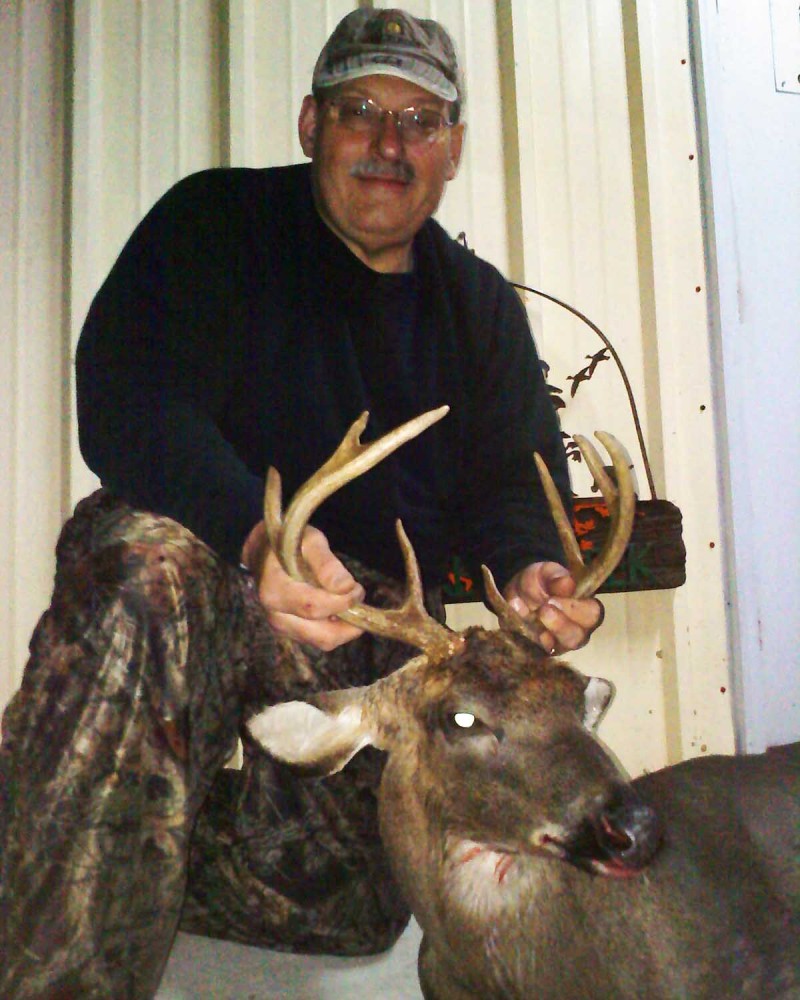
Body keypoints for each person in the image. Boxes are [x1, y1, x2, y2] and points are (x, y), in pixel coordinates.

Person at [0, 8, 604, 998]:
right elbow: (130, 397)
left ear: (450, 148)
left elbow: (511, 478)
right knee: (143, 573)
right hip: (204, 554)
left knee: (352, 908)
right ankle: (70, 919)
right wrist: (255, 533)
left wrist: (532, 566)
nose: (387, 141)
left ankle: (99, 826)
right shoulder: (214, 223)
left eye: (419, 119)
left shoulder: (478, 306)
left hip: (357, 620)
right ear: (308, 123)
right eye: (360, 109)